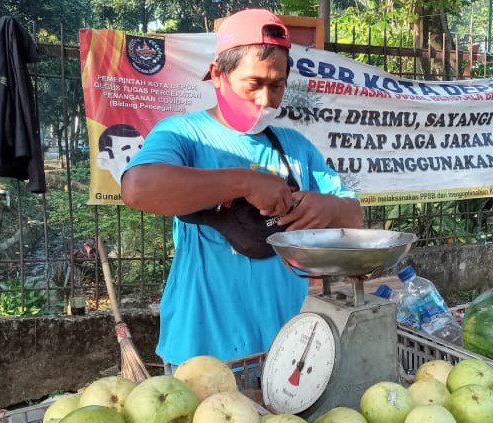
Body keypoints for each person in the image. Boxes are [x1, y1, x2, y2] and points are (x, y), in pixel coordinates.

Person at [120, 9, 363, 372]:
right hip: (203, 353)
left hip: (284, 350)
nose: (266, 99)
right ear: (218, 75)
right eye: (254, 84)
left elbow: (354, 217)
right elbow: (138, 188)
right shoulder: (184, 134)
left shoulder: (295, 147)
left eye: (277, 85)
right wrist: (244, 182)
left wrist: (326, 207)